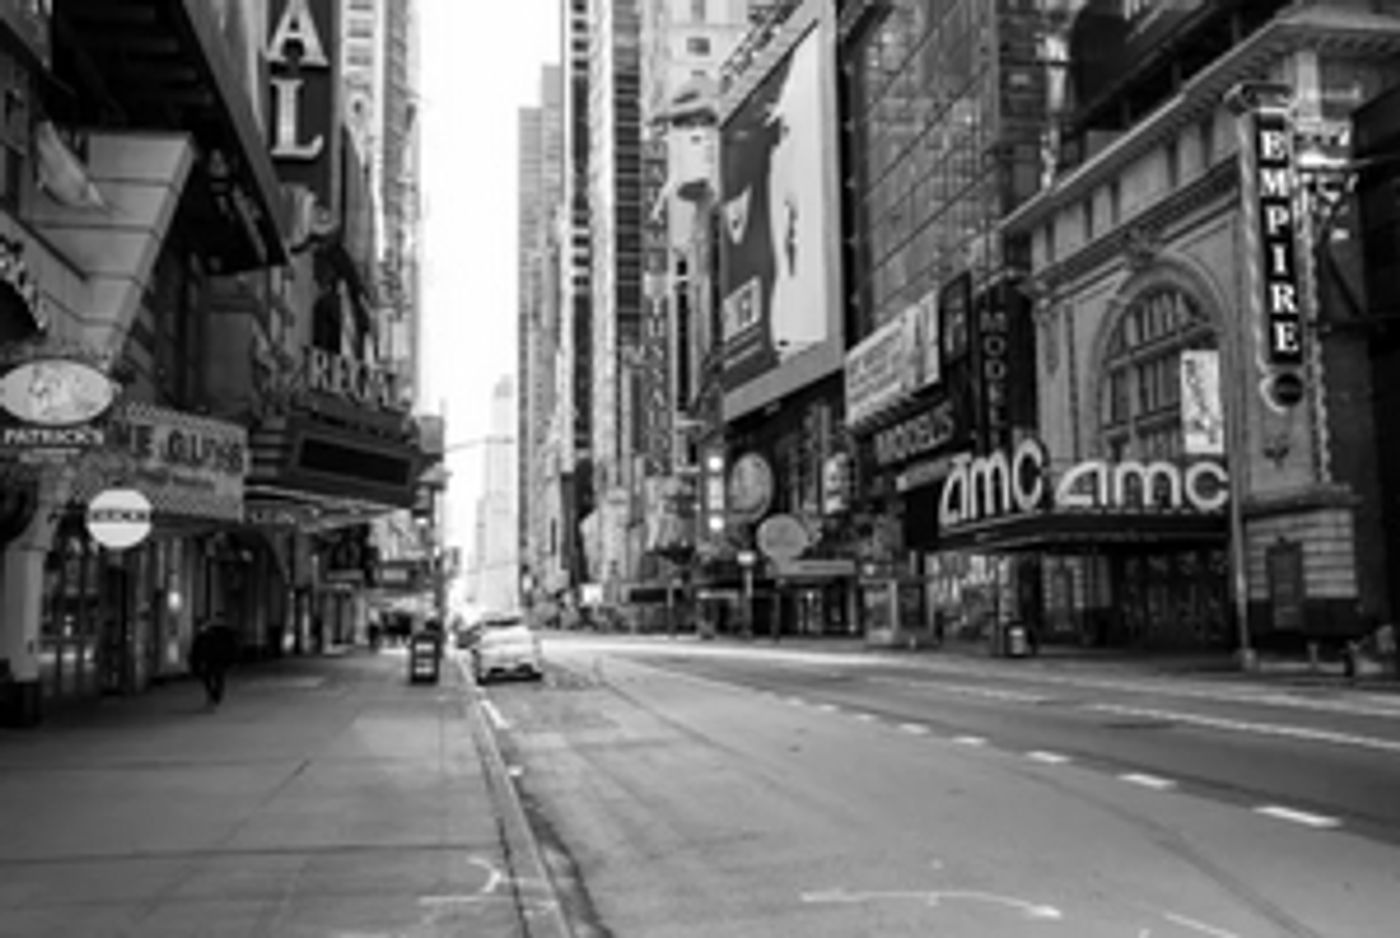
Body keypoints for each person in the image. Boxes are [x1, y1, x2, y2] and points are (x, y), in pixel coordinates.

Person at [190, 616, 239, 708]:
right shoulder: (203, 636)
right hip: (213, 661)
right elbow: (196, 650)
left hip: (215, 660)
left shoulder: (213, 634)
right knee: (213, 679)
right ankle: (214, 695)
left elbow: (197, 649)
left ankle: (215, 695)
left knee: (214, 678)